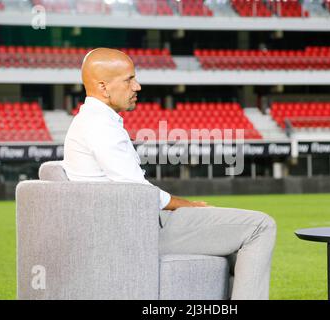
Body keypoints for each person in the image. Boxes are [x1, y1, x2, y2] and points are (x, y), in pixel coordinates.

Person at [63, 48, 277, 300]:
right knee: (261, 226)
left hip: (124, 227)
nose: (137, 86)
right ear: (103, 87)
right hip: (136, 233)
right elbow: (140, 195)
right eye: (128, 79)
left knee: (231, 233)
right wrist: (187, 206)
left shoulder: (90, 121)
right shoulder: (100, 127)